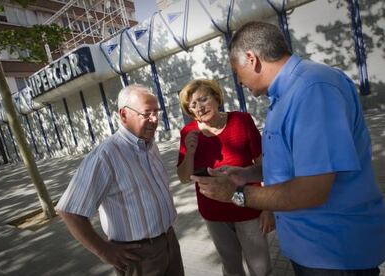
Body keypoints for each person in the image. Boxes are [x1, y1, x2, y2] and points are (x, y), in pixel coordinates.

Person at [191, 21, 385, 275]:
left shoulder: (313, 89)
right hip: (310, 249)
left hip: (334, 254)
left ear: (252, 59)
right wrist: (245, 174)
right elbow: (291, 165)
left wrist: (236, 194)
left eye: (236, 71)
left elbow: (312, 190)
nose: (238, 81)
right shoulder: (285, 95)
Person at [57, 84, 184, 276]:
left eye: (157, 112)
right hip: (138, 256)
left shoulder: (150, 146)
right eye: (147, 113)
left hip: (169, 241)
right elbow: (69, 210)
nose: (155, 119)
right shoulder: (106, 156)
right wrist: (103, 250)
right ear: (124, 115)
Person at [177, 79, 273, 276]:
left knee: (261, 268)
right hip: (214, 215)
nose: (199, 107)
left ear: (216, 97)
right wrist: (190, 152)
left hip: (249, 208)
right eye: (193, 105)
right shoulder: (188, 132)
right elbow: (184, 178)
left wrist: (268, 207)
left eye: (203, 99)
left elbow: (264, 165)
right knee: (231, 268)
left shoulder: (242, 120)